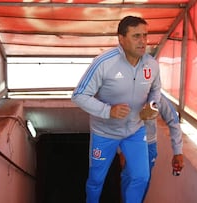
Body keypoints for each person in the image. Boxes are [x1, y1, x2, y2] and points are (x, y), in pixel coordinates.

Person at [71, 16, 161, 203]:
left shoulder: (151, 64)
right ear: (121, 38)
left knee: (141, 177)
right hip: (105, 132)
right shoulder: (104, 63)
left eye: (145, 35)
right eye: (136, 36)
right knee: (96, 180)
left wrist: (152, 106)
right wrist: (107, 111)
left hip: (135, 131)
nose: (143, 41)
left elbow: (156, 90)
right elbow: (79, 95)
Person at [120, 93, 184, 201]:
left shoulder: (157, 96)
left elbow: (173, 120)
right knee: (128, 182)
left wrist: (178, 152)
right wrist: (120, 150)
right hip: (129, 146)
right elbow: (114, 122)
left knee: (142, 184)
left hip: (148, 146)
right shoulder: (124, 91)